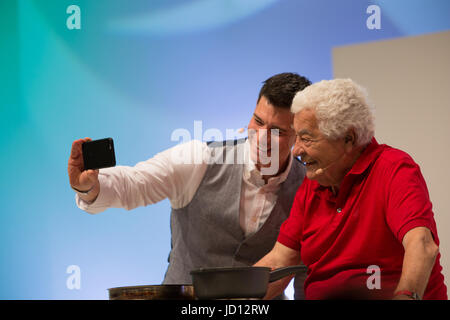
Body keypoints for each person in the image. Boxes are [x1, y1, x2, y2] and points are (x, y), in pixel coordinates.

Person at [68, 72, 311, 298]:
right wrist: (90, 187)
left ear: (299, 135)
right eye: (257, 121)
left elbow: (306, 273)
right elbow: (135, 183)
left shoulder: (311, 186)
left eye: (277, 131)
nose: (261, 137)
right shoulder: (199, 158)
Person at [256, 78, 447, 300]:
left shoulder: (393, 169)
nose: (296, 150)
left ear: (349, 138)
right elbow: (279, 260)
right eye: (296, 137)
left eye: (306, 139)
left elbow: (422, 244)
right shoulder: (314, 183)